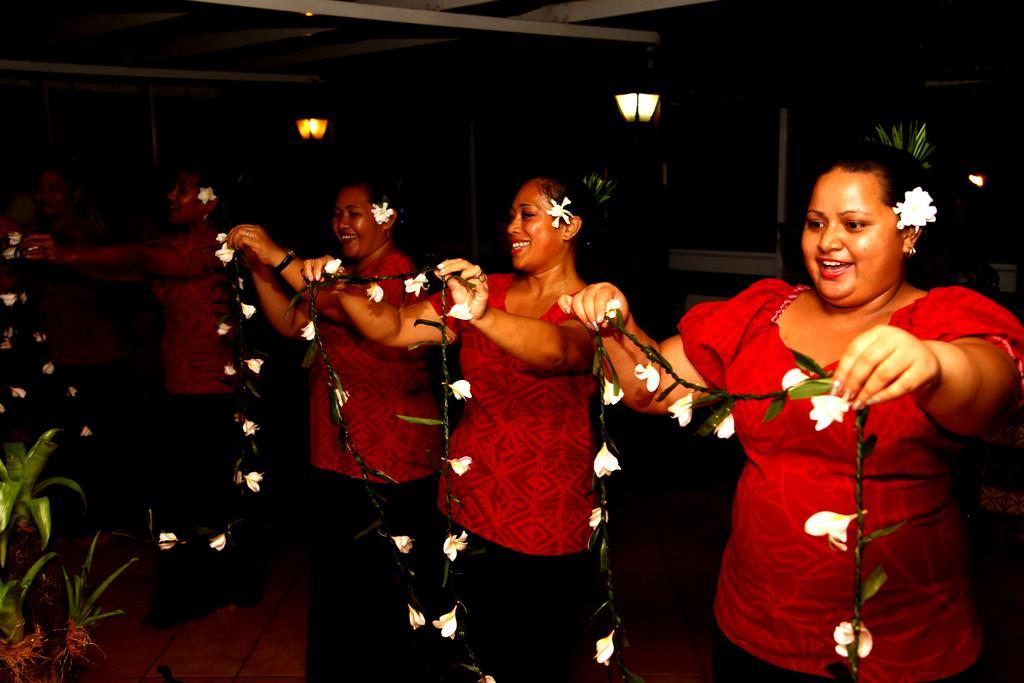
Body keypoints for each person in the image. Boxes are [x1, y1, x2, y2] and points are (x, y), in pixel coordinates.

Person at [567, 145, 1024, 682]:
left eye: (854, 224)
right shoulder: (763, 311)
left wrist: (937, 363)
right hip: (755, 620)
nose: (829, 241)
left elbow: (992, 385)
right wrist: (615, 323)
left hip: (898, 637)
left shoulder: (946, 316)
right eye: (816, 223)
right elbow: (653, 389)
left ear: (909, 233)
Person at [303, 176, 599, 681]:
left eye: (526, 215)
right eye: (511, 215)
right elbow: (393, 328)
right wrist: (343, 288)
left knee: (527, 655)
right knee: (460, 653)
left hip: (544, 511)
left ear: (569, 224)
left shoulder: (593, 304)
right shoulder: (492, 289)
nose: (512, 227)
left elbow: (559, 350)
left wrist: (481, 315)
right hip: (466, 499)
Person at [22, 165, 264, 626]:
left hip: (215, 393)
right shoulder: (180, 244)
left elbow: (145, 258)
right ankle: (211, 591)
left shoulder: (214, 244)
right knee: (186, 496)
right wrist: (69, 260)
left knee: (208, 498)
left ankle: (223, 590)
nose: (171, 196)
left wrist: (70, 255)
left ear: (211, 201)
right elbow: (137, 271)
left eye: (184, 189)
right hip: (181, 389)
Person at [225, 180, 442, 681]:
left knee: (385, 588)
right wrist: (261, 267)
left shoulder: (399, 275)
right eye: (336, 213)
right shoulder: (343, 273)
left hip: (391, 457)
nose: (342, 223)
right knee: (340, 582)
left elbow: (343, 305)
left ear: (387, 217)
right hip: (336, 450)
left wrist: (276, 254)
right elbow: (289, 319)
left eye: (354, 212)